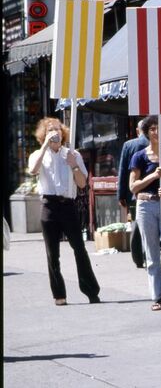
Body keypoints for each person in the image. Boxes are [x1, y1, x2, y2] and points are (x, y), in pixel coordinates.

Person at [28, 117, 100, 306]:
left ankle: (91, 290)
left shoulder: (72, 154)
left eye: (57, 129)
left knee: (79, 249)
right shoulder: (38, 154)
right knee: (52, 253)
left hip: (68, 205)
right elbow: (33, 170)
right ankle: (59, 294)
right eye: (50, 130)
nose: (55, 133)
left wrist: (74, 165)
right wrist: (44, 146)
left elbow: (83, 183)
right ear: (44, 134)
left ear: (63, 132)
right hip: (49, 205)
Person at [129, 116, 161, 310]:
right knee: (151, 253)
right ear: (146, 133)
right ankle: (157, 296)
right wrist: (153, 175)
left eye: (159, 128)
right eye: (152, 129)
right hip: (146, 205)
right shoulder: (139, 156)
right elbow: (133, 186)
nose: (156, 132)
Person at [117, 117, 151, 269]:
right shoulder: (153, 144)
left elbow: (123, 171)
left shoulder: (129, 145)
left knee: (136, 225)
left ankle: (138, 257)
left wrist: (121, 195)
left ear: (138, 131)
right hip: (152, 190)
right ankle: (148, 254)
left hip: (133, 193)